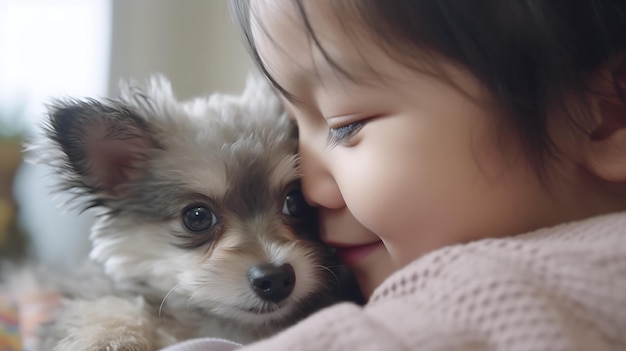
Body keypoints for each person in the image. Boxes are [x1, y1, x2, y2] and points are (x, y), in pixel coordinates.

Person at [163, 0, 626, 350]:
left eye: (346, 125)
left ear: (604, 119)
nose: (309, 188)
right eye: (293, 130)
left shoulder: (500, 288)